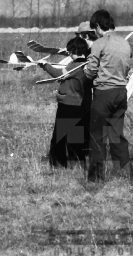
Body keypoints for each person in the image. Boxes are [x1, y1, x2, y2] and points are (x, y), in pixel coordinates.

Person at [84, 10, 133, 182]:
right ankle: (127, 175)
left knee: (97, 136)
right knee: (117, 135)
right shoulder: (125, 44)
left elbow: (90, 72)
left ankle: (96, 177)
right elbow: (127, 68)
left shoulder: (99, 44)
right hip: (121, 92)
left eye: (93, 29)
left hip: (104, 93)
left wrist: (85, 70)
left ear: (98, 26)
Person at [39, 37, 92, 168]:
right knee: (75, 137)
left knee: (59, 137)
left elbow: (58, 74)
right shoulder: (88, 65)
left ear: (74, 51)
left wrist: (45, 65)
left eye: (70, 52)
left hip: (68, 105)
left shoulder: (75, 66)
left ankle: (58, 163)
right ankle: (77, 163)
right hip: (80, 105)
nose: (68, 54)